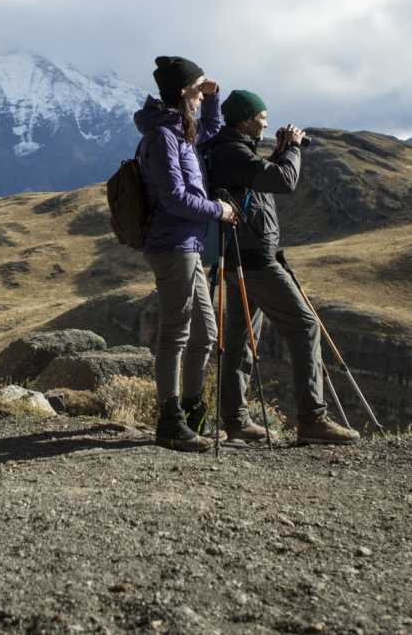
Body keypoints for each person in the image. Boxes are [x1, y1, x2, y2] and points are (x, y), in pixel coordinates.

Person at [201, 89, 359, 445]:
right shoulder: (231, 152)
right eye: (261, 117)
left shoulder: (230, 150)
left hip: (244, 257)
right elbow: (283, 181)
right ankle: (312, 420)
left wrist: (276, 152)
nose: (267, 122)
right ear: (243, 119)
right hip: (253, 262)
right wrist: (292, 149)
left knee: (241, 339)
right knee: (304, 326)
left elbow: (257, 182)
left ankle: (236, 420)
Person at [134, 56, 239, 452]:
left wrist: (213, 97)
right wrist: (219, 210)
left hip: (189, 245)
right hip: (172, 245)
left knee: (205, 332)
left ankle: (191, 412)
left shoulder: (179, 130)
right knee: (176, 334)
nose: (200, 95)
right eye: (196, 89)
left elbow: (209, 129)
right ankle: (170, 420)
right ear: (181, 92)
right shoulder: (163, 137)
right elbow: (175, 198)